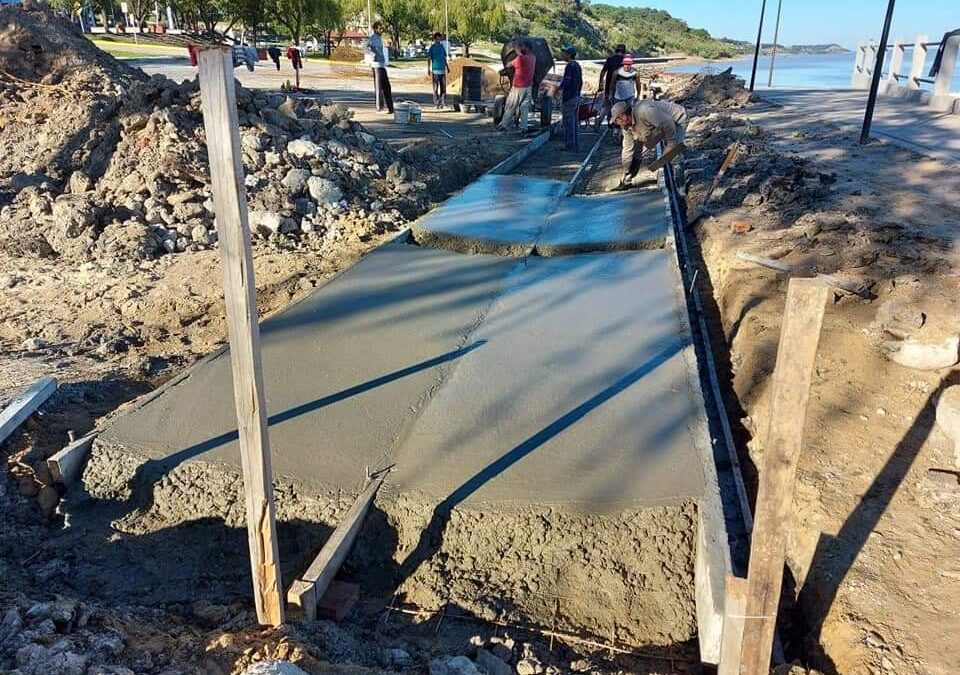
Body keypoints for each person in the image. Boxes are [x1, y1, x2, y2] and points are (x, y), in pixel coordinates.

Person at [611, 99, 688, 186]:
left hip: (676, 119)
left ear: (623, 116)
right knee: (642, 144)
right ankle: (629, 177)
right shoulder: (625, 127)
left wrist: (670, 145)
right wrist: (626, 170)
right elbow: (628, 148)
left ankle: (681, 188)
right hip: (659, 126)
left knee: (672, 155)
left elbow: (668, 123)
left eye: (617, 120)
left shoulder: (644, 111)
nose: (617, 123)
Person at [498, 40, 535, 134]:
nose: (522, 48)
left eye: (523, 47)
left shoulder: (520, 59)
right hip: (528, 87)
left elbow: (508, 65)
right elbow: (520, 54)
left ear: (527, 48)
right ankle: (523, 127)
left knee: (511, 105)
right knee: (524, 108)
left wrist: (515, 46)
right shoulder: (533, 58)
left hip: (518, 87)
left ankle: (504, 125)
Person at [366, 21, 394, 114]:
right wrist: (373, 55)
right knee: (379, 87)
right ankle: (379, 107)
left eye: (381, 28)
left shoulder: (379, 38)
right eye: (379, 28)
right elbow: (366, 47)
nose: (381, 30)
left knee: (387, 86)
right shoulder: (373, 38)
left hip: (381, 64)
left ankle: (390, 107)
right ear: (375, 29)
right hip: (376, 65)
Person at [558, 45, 582, 151]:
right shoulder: (577, 66)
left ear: (569, 55)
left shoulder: (570, 66)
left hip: (569, 98)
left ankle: (569, 145)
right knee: (574, 122)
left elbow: (567, 81)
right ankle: (574, 144)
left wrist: (559, 88)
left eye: (565, 53)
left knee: (568, 122)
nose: (563, 55)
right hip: (576, 96)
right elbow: (580, 82)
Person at [598, 44, 626, 125]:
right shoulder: (625, 61)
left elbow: (602, 73)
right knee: (618, 107)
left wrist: (600, 84)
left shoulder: (610, 59)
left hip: (608, 87)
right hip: (620, 89)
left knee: (606, 105)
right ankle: (614, 126)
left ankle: (600, 120)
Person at [427, 32, 449, 109]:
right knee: (435, 88)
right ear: (434, 39)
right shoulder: (432, 48)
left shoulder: (442, 47)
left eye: (439, 39)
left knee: (443, 88)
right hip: (435, 71)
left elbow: (444, 58)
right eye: (436, 39)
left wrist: (447, 67)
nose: (438, 40)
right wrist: (428, 69)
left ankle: (443, 102)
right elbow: (429, 59)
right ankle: (436, 103)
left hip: (442, 70)